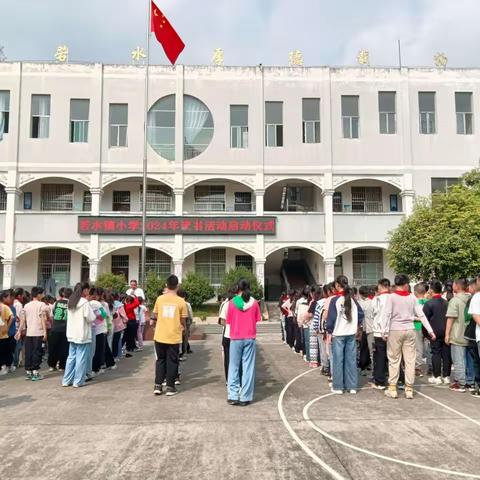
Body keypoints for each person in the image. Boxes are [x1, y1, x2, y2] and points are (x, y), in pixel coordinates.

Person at [381, 274, 435, 400]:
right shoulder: (412, 297)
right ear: (406, 284)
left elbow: (386, 314)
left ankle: (393, 388)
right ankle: (409, 388)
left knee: (394, 359)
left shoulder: (391, 297)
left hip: (395, 330)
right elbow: (421, 315)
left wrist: (384, 331)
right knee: (410, 360)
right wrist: (430, 330)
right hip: (409, 329)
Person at [326, 275, 364, 395]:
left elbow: (331, 319)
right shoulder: (352, 300)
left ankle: (338, 386)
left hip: (338, 334)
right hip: (350, 333)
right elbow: (361, 314)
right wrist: (356, 325)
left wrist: (329, 331)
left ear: (337, 285)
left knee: (338, 360)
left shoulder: (335, 300)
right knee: (351, 360)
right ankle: (352, 386)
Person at [226, 278, 262, 406]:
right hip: (249, 337)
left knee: (234, 366)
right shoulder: (255, 303)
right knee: (248, 367)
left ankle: (233, 395)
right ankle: (245, 397)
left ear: (238, 288)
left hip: (235, 337)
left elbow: (228, 321)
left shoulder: (231, 303)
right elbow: (257, 319)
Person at [151, 275, 187, 396]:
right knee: (172, 361)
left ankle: (158, 385)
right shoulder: (181, 301)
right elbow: (183, 320)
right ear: (177, 286)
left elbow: (155, 315)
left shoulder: (159, 299)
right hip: (173, 335)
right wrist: (183, 328)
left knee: (160, 360)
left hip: (160, 334)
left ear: (166, 285)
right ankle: (170, 387)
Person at [62, 282, 96, 388]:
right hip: (82, 334)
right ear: (84, 290)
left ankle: (66, 380)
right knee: (81, 358)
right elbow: (91, 317)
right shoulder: (84, 302)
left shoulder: (71, 301)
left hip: (72, 333)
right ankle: (78, 381)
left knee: (71, 357)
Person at [16, 287, 48, 381]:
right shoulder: (42, 305)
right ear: (38, 294)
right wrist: (45, 332)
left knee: (29, 352)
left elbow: (22, 320)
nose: (43, 295)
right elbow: (43, 318)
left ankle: (29, 372)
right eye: (42, 294)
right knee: (37, 351)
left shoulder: (26, 305)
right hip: (38, 332)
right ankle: (35, 372)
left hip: (29, 333)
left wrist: (19, 331)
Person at [445, 278, 471, 392]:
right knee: (469, 359)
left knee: (458, 359)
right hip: (470, 333)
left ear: (456, 286)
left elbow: (450, 319)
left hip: (457, 334)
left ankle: (460, 383)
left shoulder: (455, 301)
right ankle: (470, 381)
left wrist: (447, 334)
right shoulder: (470, 298)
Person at [424, 279, 451, 385]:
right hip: (446, 330)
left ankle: (437, 375)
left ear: (431, 290)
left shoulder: (428, 304)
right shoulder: (446, 303)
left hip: (434, 332)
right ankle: (446, 376)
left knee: (436, 353)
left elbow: (424, 320)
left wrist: (426, 333)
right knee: (446, 353)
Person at [371, 278, 391, 390]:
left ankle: (380, 381)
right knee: (394, 357)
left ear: (380, 286)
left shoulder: (376, 299)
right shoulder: (393, 298)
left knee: (380, 357)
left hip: (378, 331)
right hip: (391, 330)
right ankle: (400, 380)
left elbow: (373, 312)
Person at [47, 287, 72, 372]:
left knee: (53, 348)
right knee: (64, 348)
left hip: (55, 329)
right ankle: (62, 366)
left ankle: (52, 365)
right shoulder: (71, 304)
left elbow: (51, 316)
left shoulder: (56, 303)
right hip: (66, 329)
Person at [219, 288, 237, 381]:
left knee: (228, 358)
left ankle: (229, 379)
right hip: (235, 335)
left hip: (228, 335)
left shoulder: (226, 304)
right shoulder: (240, 304)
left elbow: (222, 321)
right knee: (235, 358)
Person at [89, 288, 108, 374]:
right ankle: (96, 369)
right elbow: (104, 315)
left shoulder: (86, 303)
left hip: (91, 330)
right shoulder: (96, 303)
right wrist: (96, 317)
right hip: (100, 329)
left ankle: (92, 368)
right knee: (98, 350)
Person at [467, 278, 480, 397]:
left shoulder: (476, 297)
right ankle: (478, 385)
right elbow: (476, 316)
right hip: (478, 335)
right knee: (476, 360)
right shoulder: (476, 297)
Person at [357, 286, 374, 376]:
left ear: (360, 294)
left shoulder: (360, 304)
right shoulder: (373, 302)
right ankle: (369, 365)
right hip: (373, 329)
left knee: (364, 348)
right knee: (371, 350)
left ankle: (363, 367)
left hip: (364, 328)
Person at [413, 283, 429, 376]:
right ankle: (429, 366)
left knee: (418, 347)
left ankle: (418, 367)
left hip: (417, 325)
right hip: (427, 326)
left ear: (415, 292)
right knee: (426, 346)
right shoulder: (428, 301)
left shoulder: (414, 302)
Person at [0, 290, 13, 375]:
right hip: (4, 333)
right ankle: (5, 366)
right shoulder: (5, 307)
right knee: (4, 351)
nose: (10, 298)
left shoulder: (4, 307)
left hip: (3, 334)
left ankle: (4, 367)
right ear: (4, 298)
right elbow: (11, 317)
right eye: (8, 297)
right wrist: (7, 327)